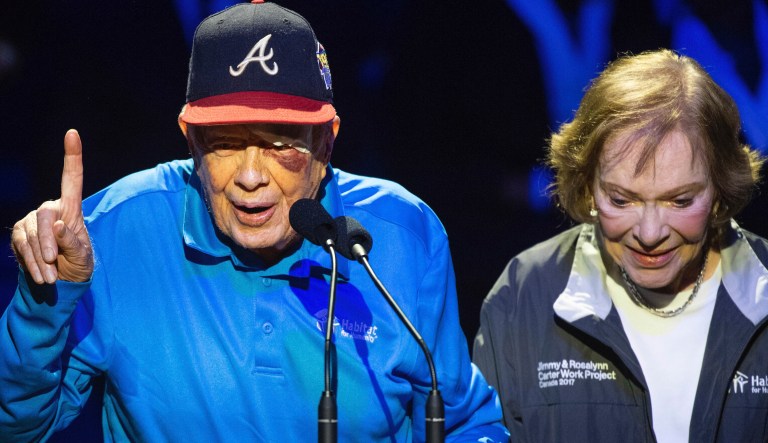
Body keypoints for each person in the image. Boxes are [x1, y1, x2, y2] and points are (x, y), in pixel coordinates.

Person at [0, 1, 508, 441]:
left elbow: (465, 423)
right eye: (223, 144)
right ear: (190, 142)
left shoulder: (403, 235)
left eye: (279, 144)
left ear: (325, 144)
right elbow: (18, 427)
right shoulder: (111, 232)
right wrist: (45, 300)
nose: (249, 176)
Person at [473, 48, 768, 442]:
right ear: (589, 186)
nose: (649, 233)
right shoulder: (525, 294)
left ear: (719, 191)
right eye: (622, 200)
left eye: (679, 201)